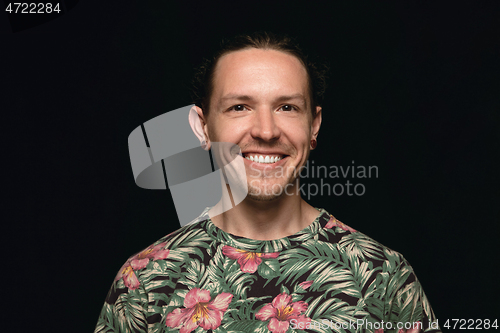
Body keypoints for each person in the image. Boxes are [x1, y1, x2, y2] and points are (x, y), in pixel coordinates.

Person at [94, 32, 441, 333]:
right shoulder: (146, 280)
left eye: (287, 107)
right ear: (202, 127)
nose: (265, 130)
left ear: (314, 124)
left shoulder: (382, 276)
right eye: (239, 107)